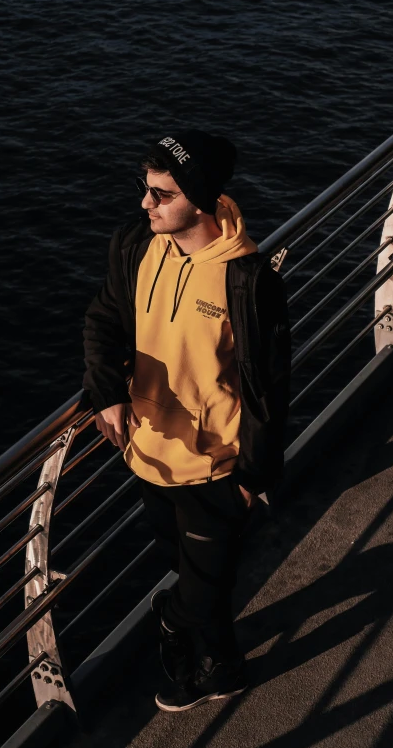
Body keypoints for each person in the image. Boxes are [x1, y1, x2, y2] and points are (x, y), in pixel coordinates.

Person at [81, 129, 291, 712]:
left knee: (199, 587)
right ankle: (222, 669)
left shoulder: (247, 282)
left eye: (161, 194)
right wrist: (105, 394)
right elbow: (102, 322)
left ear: (197, 200)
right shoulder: (135, 247)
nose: (145, 204)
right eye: (145, 190)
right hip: (147, 456)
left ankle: (172, 624)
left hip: (214, 467)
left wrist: (254, 476)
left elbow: (269, 387)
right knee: (194, 572)